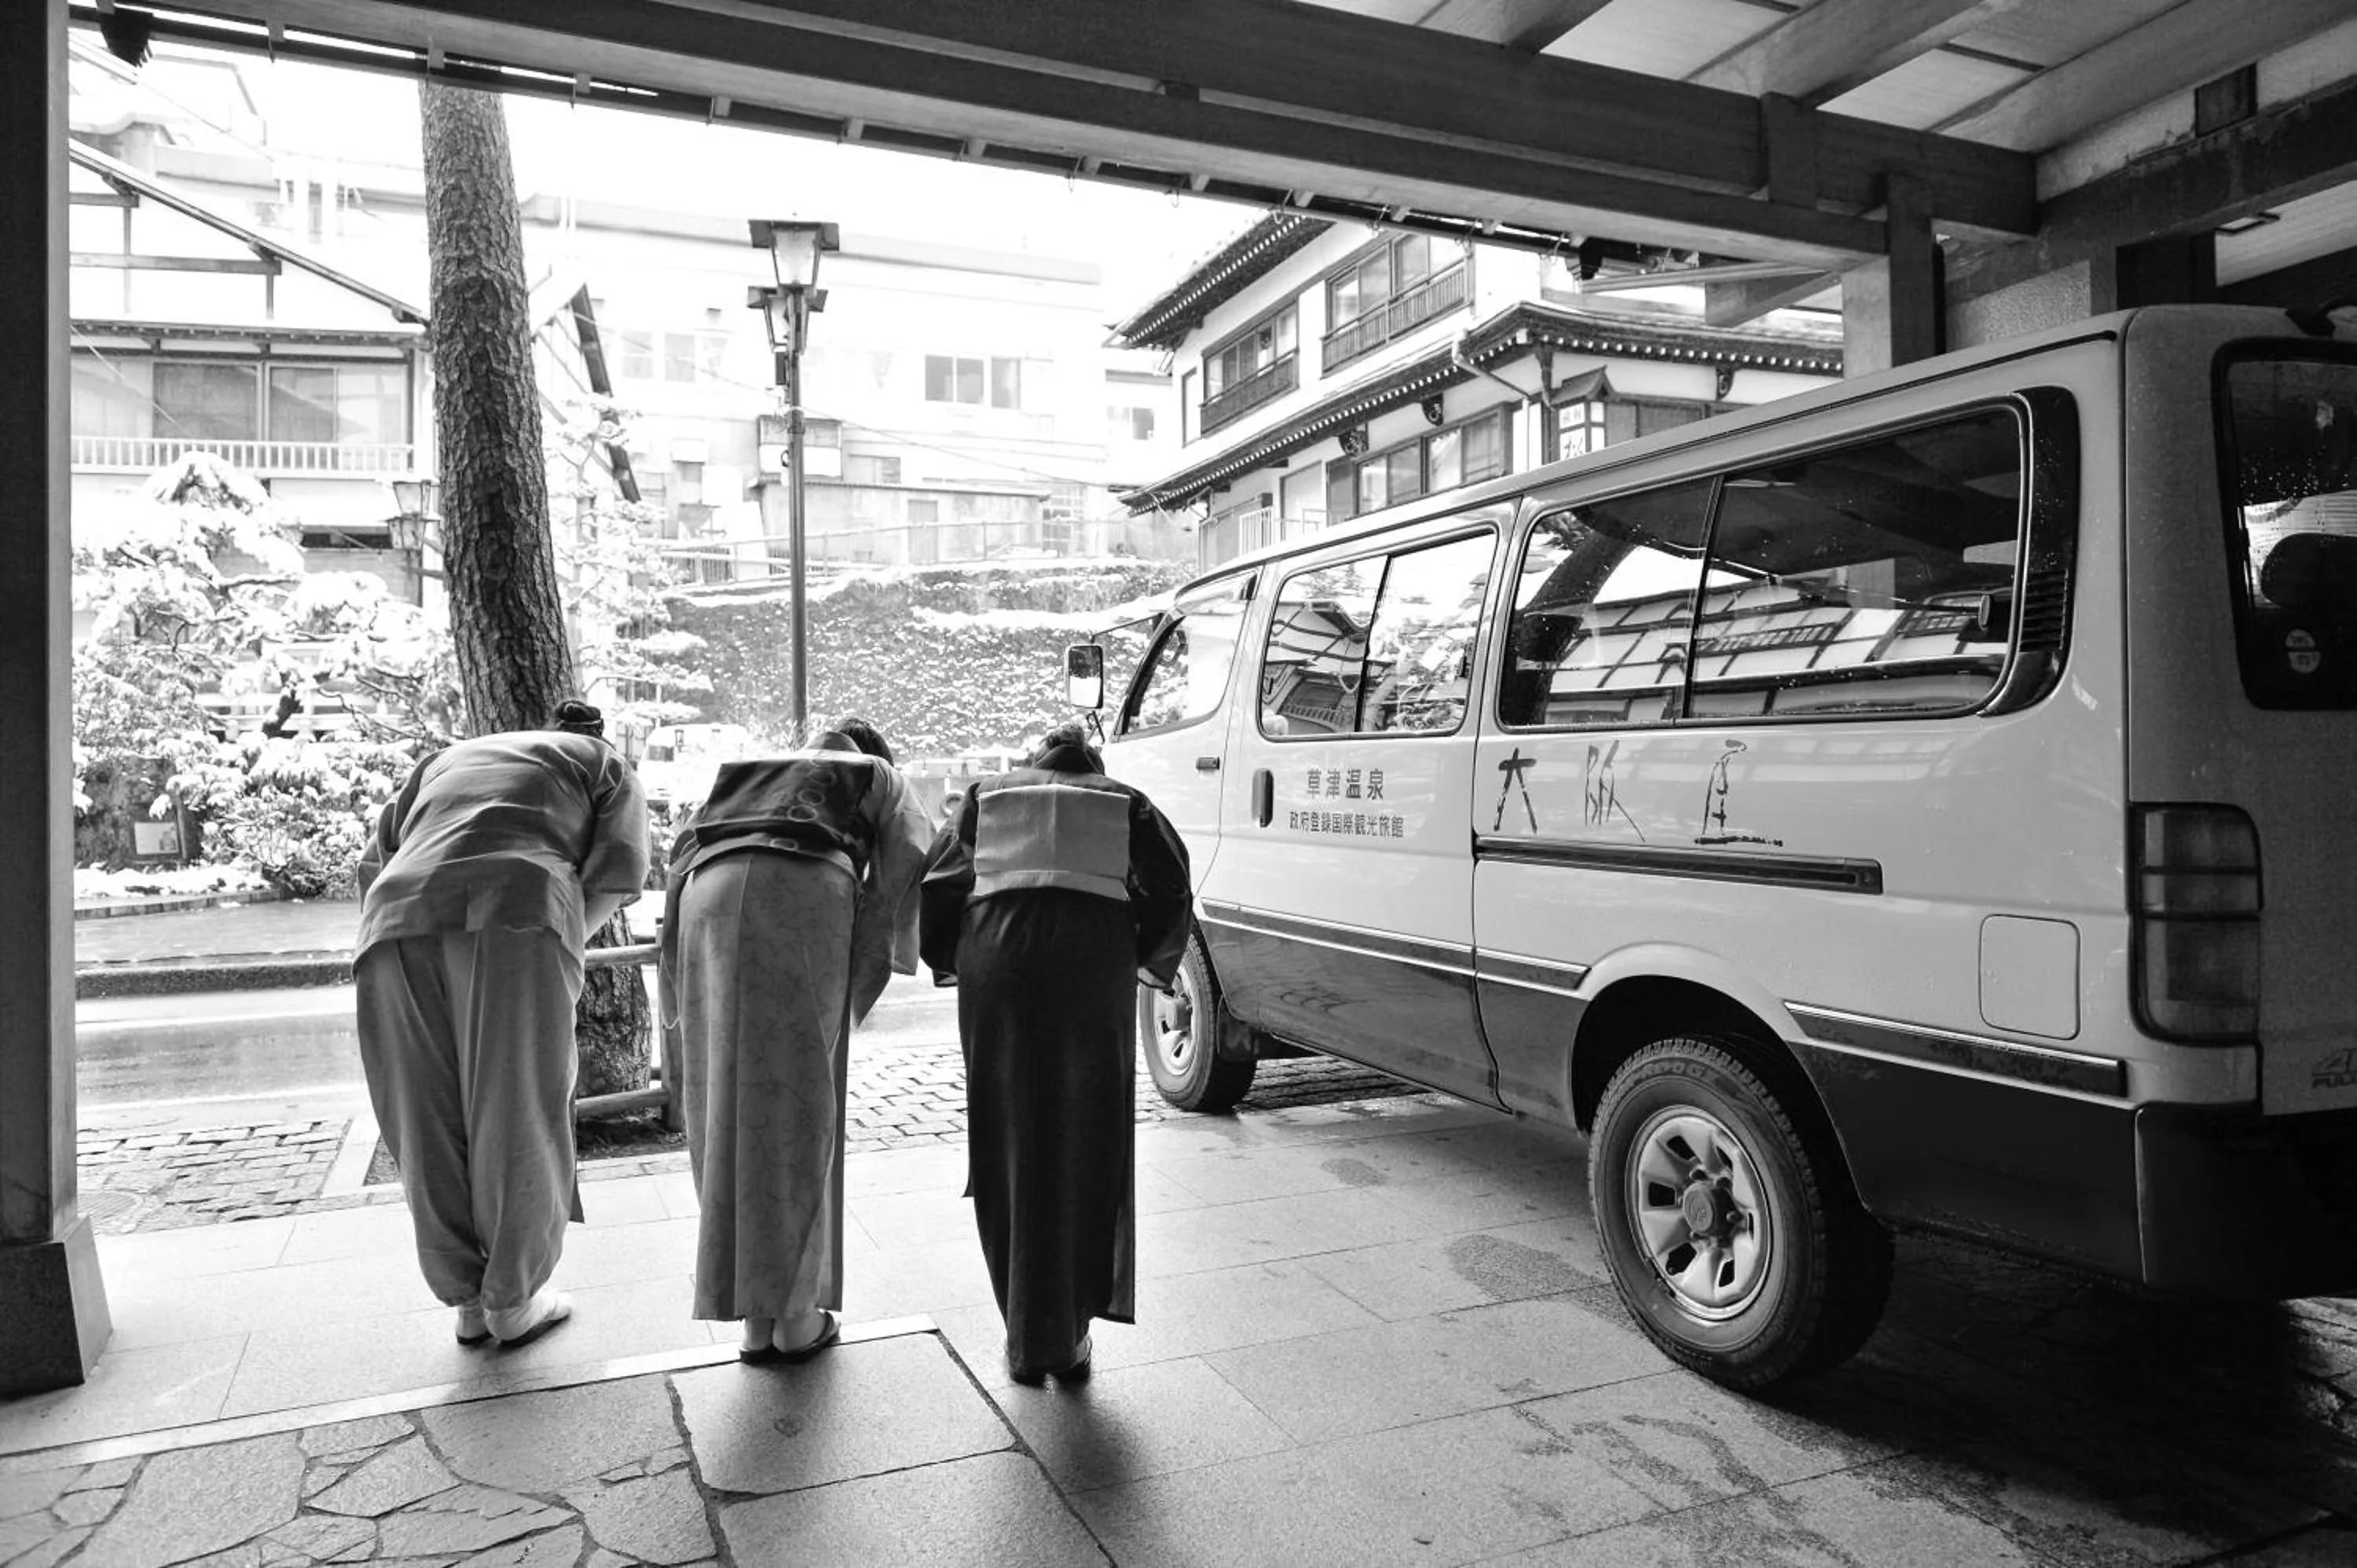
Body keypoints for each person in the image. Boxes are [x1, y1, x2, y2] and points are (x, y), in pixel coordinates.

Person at [354, 702, 650, 1348]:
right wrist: (563, 946)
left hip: (393, 918)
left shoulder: (445, 760)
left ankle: (465, 1298)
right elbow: (621, 875)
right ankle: (513, 1299)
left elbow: (378, 861)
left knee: (423, 1113)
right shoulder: (603, 762)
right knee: (517, 1104)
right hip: (518, 907)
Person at [920, 720, 1192, 1385]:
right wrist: (1141, 959)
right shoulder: (1127, 802)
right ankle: (1068, 1333)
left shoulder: (987, 795)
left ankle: (1022, 1333)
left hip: (998, 964)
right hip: (1090, 965)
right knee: (1086, 1131)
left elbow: (938, 888)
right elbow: (1172, 890)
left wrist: (958, 959)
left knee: (1007, 1129)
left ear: (1037, 761)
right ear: (1090, 764)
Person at [662, 717, 934, 1362]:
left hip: (704, 895)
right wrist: (869, 949)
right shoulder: (876, 774)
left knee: (720, 1102)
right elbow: (913, 855)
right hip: (803, 891)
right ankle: (795, 1316)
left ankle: (752, 1315)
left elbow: (680, 851)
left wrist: (676, 964)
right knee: (797, 1104)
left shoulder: (751, 774)